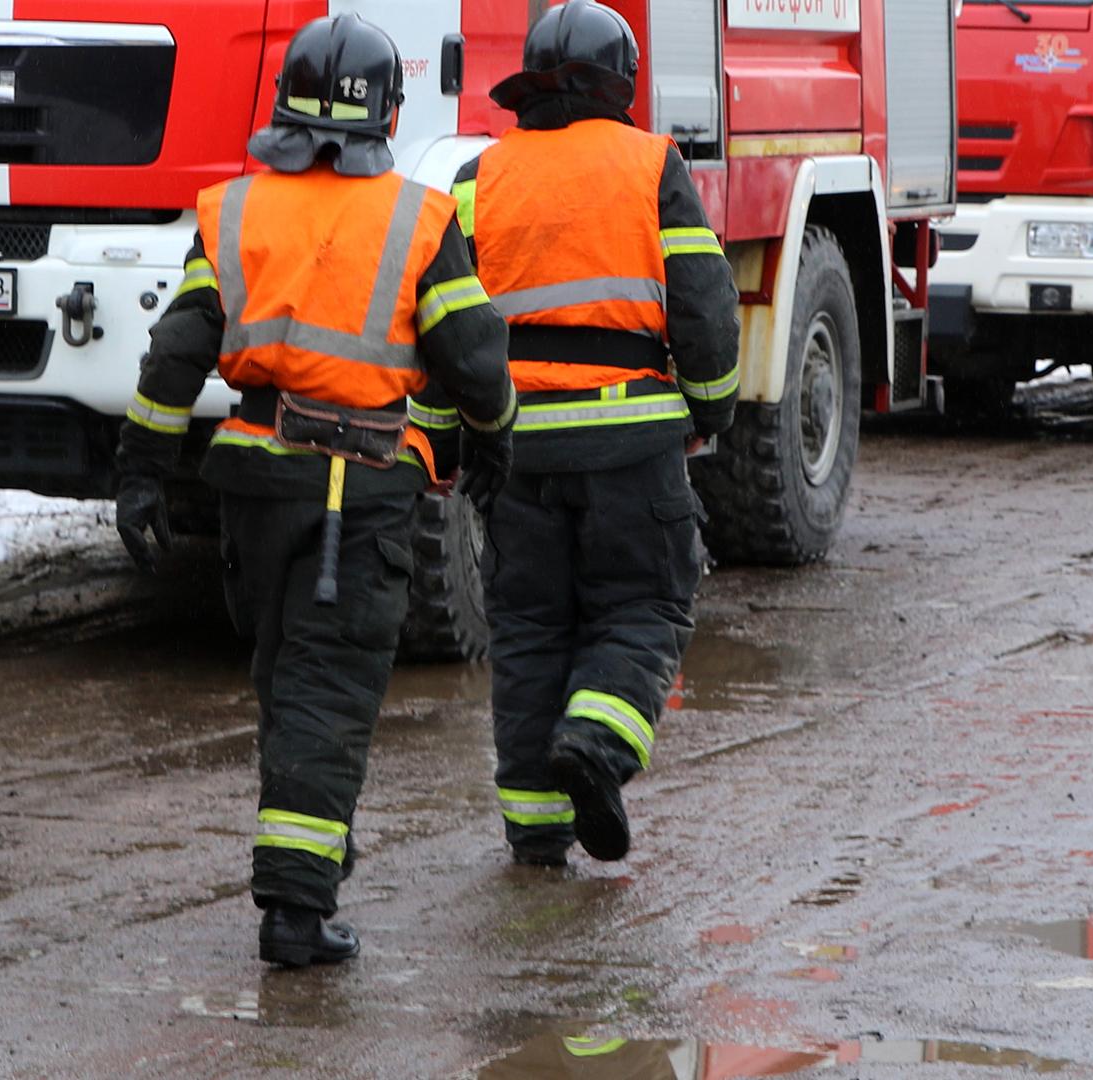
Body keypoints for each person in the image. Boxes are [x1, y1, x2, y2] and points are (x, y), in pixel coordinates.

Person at [113, 13, 517, 966]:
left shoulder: (235, 212)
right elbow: (473, 359)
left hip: (255, 485)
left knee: (285, 677)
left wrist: (139, 474)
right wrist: (491, 444)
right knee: (328, 691)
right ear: (387, 114)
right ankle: (296, 908)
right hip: (360, 490)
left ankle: (309, 863)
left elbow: (177, 354)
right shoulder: (420, 219)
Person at [454, 0, 740, 867]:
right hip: (632, 441)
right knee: (643, 607)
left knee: (531, 629)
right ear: (621, 83)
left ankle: (536, 831)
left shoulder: (477, 177)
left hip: (517, 449)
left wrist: (457, 443)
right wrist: (710, 409)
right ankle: (596, 744)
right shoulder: (652, 162)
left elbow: (453, 329)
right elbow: (703, 304)